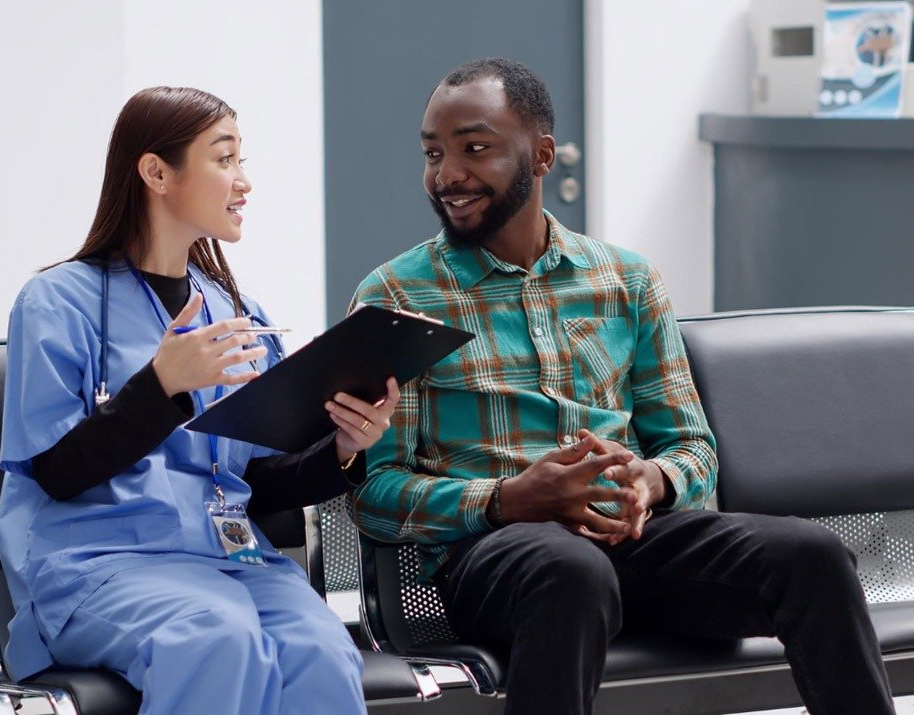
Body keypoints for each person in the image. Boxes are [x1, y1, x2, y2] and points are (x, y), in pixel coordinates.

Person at [349, 58, 894, 715]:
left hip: (633, 545)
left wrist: (648, 482)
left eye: (475, 148)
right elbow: (375, 493)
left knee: (812, 556)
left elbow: (692, 448)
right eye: (434, 153)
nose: (448, 175)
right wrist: (509, 498)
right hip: (494, 561)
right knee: (570, 572)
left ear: (541, 154)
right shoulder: (397, 297)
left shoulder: (625, 281)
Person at [0, 86, 398, 715]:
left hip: (228, 561)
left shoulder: (236, 313)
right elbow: (56, 471)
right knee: (215, 638)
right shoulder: (57, 303)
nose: (245, 182)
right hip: (98, 566)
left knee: (321, 648)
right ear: (157, 172)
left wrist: (344, 450)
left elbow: (257, 482)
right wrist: (160, 388)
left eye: (242, 160)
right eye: (225, 159)